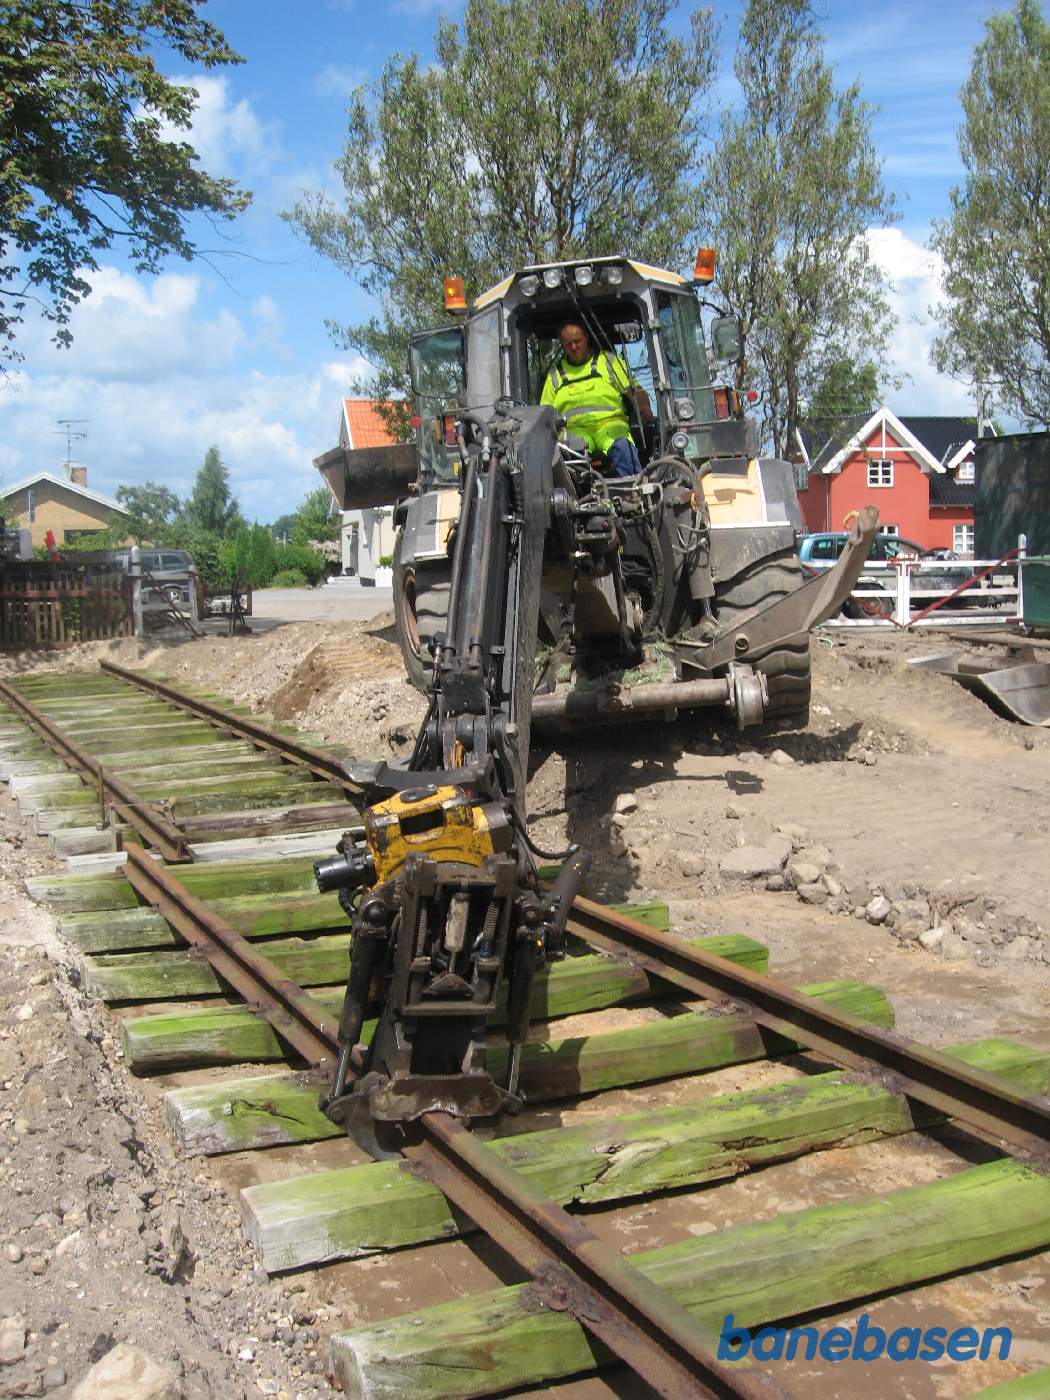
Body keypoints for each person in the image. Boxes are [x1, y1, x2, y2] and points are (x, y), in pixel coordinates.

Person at [540, 322, 653, 477]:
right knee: (570, 456)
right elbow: (544, 413)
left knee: (623, 447)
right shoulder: (555, 375)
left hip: (611, 426)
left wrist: (644, 406)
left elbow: (634, 390)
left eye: (577, 341)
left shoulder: (609, 362)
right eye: (568, 344)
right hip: (575, 431)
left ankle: (632, 490)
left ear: (586, 338)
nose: (574, 347)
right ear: (562, 345)